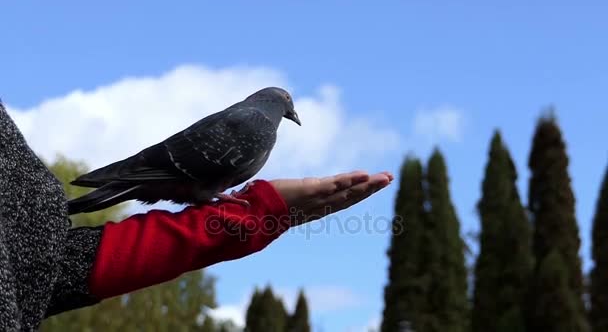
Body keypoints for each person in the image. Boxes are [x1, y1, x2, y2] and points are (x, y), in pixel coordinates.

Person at [0, 102, 392, 331]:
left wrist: (218, 227)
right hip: (174, 176)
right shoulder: (255, 126)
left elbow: (36, 270)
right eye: (287, 106)